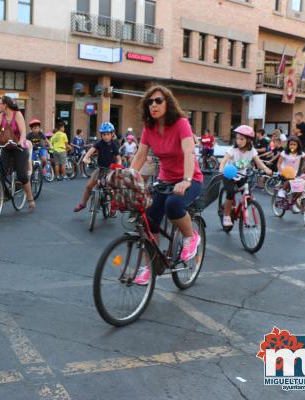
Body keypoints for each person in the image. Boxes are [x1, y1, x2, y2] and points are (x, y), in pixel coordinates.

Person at [130, 85, 204, 285]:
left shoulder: (181, 123)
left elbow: (189, 152)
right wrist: (128, 177)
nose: (153, 105)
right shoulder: (149, 127)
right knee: (149, 219)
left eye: (158, 101)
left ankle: (191, 236)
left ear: (168, 103)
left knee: (173, 205)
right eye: (150, 102)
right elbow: (140, 155)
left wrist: (186, 180)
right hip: (165, 180)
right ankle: (150, 265)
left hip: (190, 179)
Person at [0, 96, 35, 209]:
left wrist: (21, 141)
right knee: (0, 171)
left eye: (0, 103)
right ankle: (3, 195)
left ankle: (30, 199)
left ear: (5, 105)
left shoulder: (18, 114)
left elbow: (23, 131)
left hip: (19, 147)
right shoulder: (1, 116)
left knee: (21, 174)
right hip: (6, 147)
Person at [219, 125, 272, 227]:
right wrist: (221, 169)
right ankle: (226, 215)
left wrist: (265, 169)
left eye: (242, 139)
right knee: (230, 192)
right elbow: (224, 160)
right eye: (237, 138)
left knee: (247, 193)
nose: (238, 141)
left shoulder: (252, 151)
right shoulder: (233, 150)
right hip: (229, 175)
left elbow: (258, 162)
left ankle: (245, 212)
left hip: (241, 175)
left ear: (248, 140)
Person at [73, 122, 121, 212]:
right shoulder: (99, 143)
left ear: (112, 134)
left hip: (111, 169)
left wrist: (118, 166)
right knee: (88, 186)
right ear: (101, 135)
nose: (106, 136)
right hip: (100, 169)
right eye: (103, 134)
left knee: (112, 188)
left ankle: (113, 207)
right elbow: (90, 152)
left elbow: (119, 158)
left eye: (108, 134)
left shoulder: (114, 145)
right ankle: (83, 204)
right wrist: (86, 158)